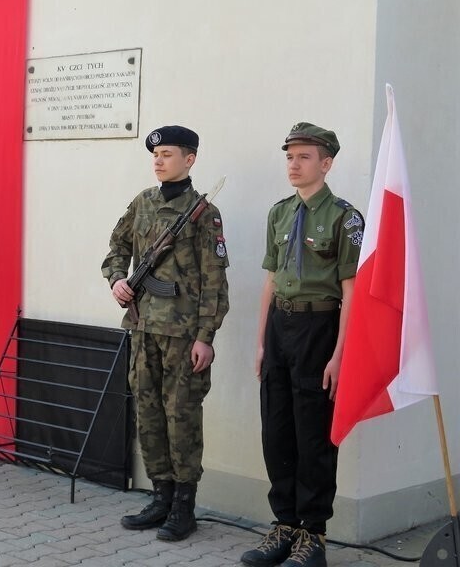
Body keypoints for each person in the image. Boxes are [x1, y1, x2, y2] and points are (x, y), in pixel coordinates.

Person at [240, 123, 363, 567]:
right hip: (280, 329)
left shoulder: (345, 218)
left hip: (319, 330)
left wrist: (339, 354)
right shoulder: (279, 213)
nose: (294, 163)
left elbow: (351, 291)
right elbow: (270, 281)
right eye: (290, 155)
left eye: (304, 156)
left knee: (312, 435)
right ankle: (285, 526)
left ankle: (314, 535)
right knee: (277, 431)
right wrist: (259, 344)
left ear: (326, 164)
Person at [102, 125, 229, 542]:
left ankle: (184, 507)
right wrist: (118, 279)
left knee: (182, 418)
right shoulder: (142, 203)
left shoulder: (202, 213)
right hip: (142, 328)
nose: (158, 161)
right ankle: (160, 496)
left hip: (181, 335)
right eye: (155, 155)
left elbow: (214, 283)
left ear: (189, 160)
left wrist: (205, 336)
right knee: (149, 413)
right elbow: (116, 247)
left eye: (168, 154)